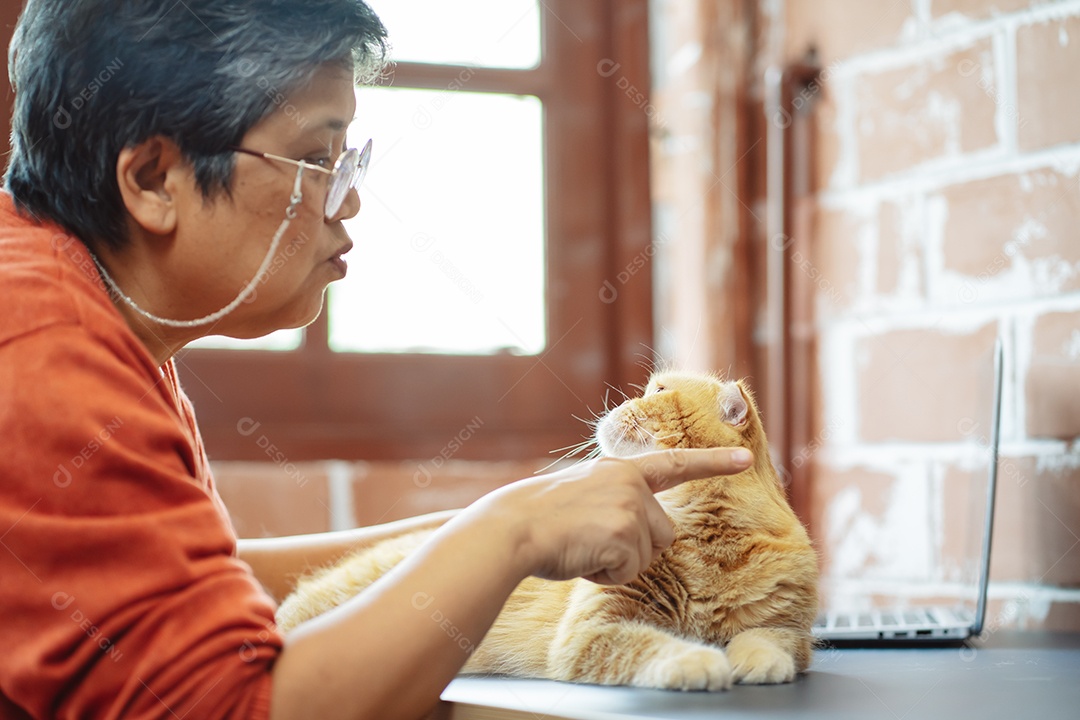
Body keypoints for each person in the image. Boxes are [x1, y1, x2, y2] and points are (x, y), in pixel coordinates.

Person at [0, 2, 753, 718]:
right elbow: (236, 707)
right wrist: (514, 531)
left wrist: (505, 522)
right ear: (153, 180)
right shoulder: (46, 354)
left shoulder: (81, 302)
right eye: (314, 158)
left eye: (345, 160)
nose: (349, 201)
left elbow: (201, 587)